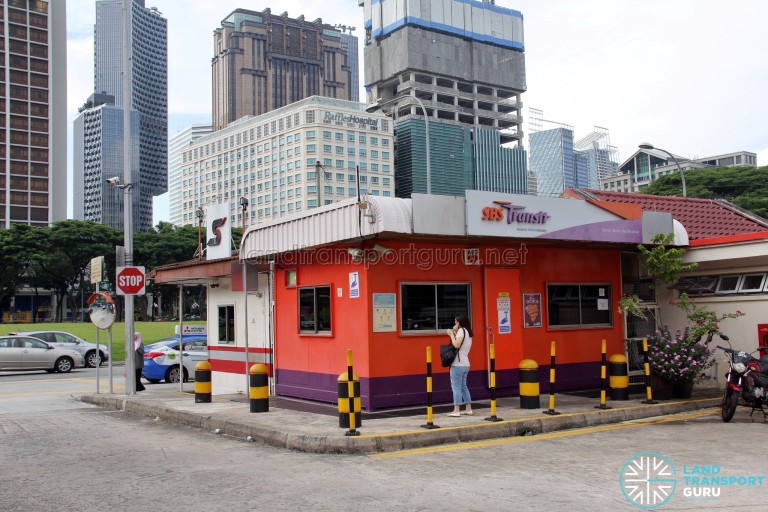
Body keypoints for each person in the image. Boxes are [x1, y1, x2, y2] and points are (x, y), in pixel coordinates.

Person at [446, 316, 473, 417]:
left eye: (456, 322)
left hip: (458, 364)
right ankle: (468, 409)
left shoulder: (461, 331)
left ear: (459, 322)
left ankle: (456, 410)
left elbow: (456, 345)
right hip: (466, 364)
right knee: (463, 387)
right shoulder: (468, 332)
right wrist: (454, 331)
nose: (455, 324)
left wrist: (451, 335)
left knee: (456, 387)